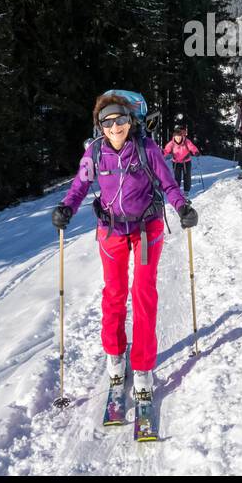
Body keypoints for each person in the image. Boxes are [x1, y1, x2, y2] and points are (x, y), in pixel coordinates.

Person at [51, 93, 198, 401]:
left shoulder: (147, 149)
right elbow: (79, 185)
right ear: (99, 125)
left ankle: (143, 366)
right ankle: (115, 355)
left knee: (143, 293)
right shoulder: (93, 153)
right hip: (111, 230)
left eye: (120, 119)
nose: (115, 126)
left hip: (147, 228)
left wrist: (182, 207)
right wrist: (66, 207)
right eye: (107, 121)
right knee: (114, 292)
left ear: (131, 121)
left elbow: (168, 184)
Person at [163, 124, 200, 193]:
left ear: (182, 136)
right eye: (176, 136)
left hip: (186, 162)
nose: (178, 138)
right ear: (174, 136)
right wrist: (162, 153)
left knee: (187, 177)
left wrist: (196, 152)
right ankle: (177, 191)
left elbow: (192, 147)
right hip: (176, 162)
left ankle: (186, 191)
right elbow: (166, 150)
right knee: (177, 177)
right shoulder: (171, 143)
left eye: (179, 136)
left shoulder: (186, 141)